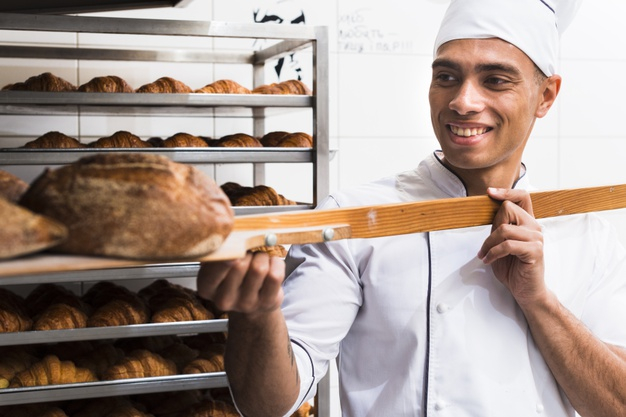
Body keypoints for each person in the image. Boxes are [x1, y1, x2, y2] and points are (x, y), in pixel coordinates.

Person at [197, 0, 626, 415]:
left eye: (495, 80)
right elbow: (268, 405)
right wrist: (257, 314)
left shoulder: (587, 233)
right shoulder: (356, 220)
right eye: (447, 76)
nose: (463, 101)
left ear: (546, 96)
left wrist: (538, 301)